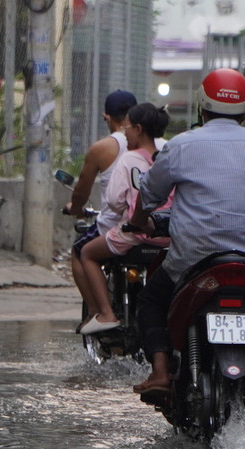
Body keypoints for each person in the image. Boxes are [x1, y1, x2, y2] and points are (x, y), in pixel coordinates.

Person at [128, 69, 245, 397]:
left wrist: (141, 222)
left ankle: (160, 372)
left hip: (192, 261)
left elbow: (147, 197)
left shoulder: (181, 146)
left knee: (150, 299)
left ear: (202, 107)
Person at [74, 103, 173, 335]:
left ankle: (106, 313)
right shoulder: (171, 156)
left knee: (87, 253)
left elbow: (114, 201)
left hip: (136, 234)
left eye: (126, 128)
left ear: (138, 129)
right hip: (168, 237)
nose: (124, 132)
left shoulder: (129, 160)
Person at [65, 90, 139, 314]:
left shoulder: (102, 148)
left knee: (80, 252)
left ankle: (100, 313)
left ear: (107, 117)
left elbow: (81, 192)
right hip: (152, 228)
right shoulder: (155, 145)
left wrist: (75, 209)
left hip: (115, 227)